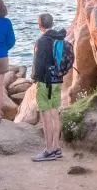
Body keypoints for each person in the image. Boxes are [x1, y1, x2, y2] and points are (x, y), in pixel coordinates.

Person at [29, 13, 74, 161]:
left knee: (46, 116)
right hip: (57, 80)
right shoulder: (59, 37)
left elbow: (39, 63)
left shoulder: (42, 41)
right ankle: (57, 148)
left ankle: (48, 150)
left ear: (40, 24)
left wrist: (34, 78)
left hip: (45, 82)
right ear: (52, 23)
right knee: (55, 114)